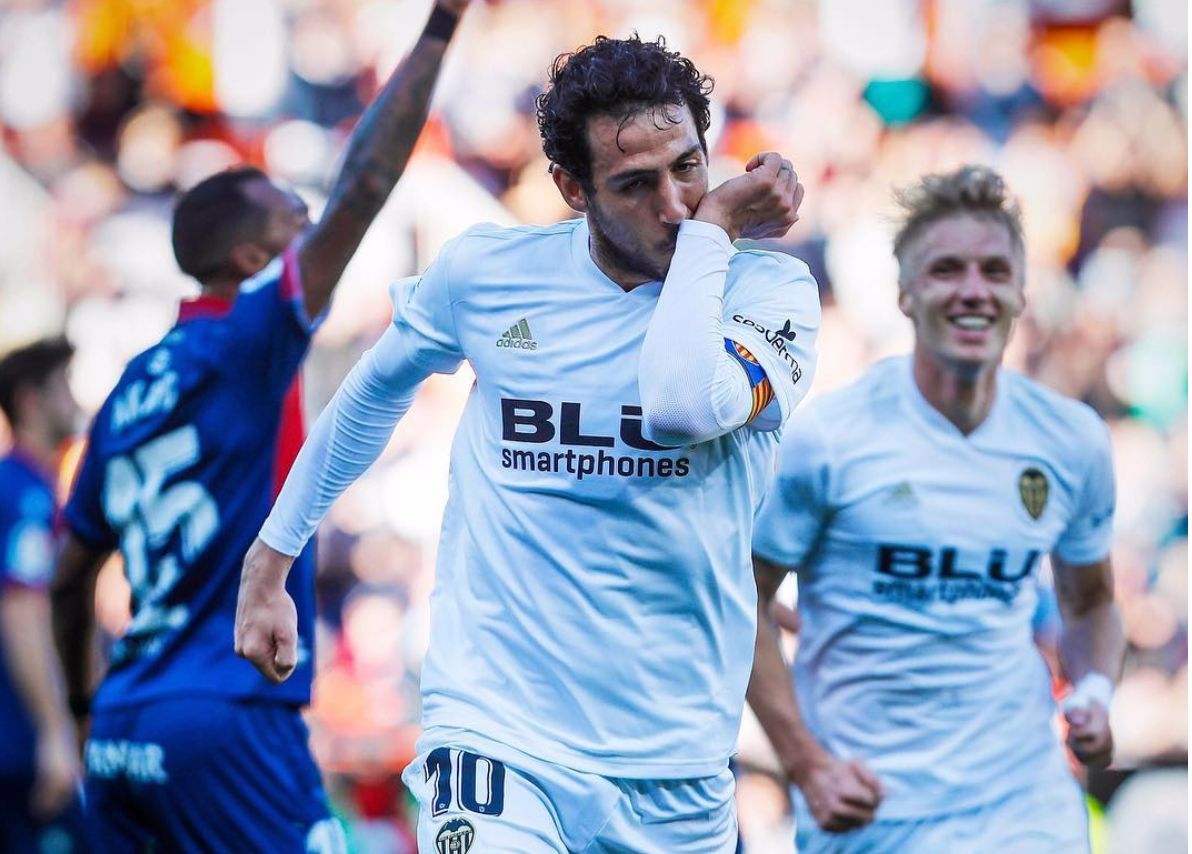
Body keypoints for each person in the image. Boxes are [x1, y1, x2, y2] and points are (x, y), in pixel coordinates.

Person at [235, 34, 820, 852]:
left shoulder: (771, 290)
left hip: (676, 759)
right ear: (571, 189)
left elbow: (687, 404)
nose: (676, 204)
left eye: (688, 166)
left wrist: (715, 239)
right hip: (499, 734)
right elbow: (372, 391)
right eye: (635, 184)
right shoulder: (489, 274)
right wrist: (273, 555)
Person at [49, 3, 472, 850]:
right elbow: (364, 186)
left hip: (126, 723)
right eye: (294, 223)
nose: (312, 235)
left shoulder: (131, 388)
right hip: (229, 714)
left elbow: (69, 573)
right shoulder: (251, 338)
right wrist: (441, 27)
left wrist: (88, 705)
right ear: (250, 260)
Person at [747, 165, 1124, 852]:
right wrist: (806, 763)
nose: (973, 290)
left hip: (1022, 799)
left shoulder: (1070, 440)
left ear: (1020, 292)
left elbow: (1092, 602)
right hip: (872, 808)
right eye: (947, 270)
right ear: (905, 294)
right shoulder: (831, 437)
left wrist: (1095, 689)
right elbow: (741, 599)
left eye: (993, 270)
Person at [0, 337, 88, 853]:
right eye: (65, 387)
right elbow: (21, 610)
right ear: (32, 401)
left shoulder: (32, 488)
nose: (75, 401)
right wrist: (53, 733)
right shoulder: (23, 493)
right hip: (18, 744)